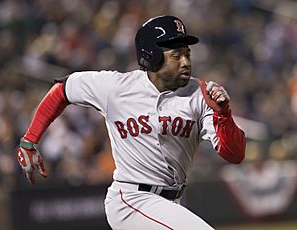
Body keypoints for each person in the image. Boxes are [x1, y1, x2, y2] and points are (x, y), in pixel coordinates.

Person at [16, 15, 246, 230]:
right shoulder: (116, 87)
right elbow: (63, 90)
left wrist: (223, 115)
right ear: (152, 55)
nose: (186, 62)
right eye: (176, 55)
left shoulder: (201, 94)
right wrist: (29, 141)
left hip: (172, 201)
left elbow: (234, 155)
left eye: (188, 54)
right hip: (131, 199)